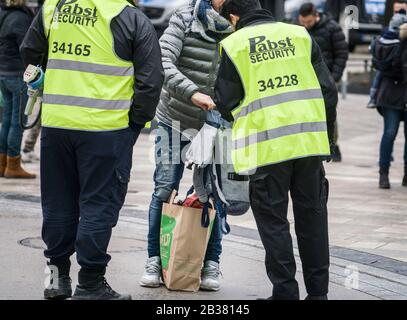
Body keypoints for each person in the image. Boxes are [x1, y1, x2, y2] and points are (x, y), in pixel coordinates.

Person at [20, 0, 164, 300]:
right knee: (99, 205)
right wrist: (134, 124)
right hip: (105, 130)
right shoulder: (129, 18)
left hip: (57, 124)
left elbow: (29, 52)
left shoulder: (54, 7)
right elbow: (150, 82)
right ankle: (91, 283)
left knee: (58, 203)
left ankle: (56, 279)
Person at [215, 0, 338, 300]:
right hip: (308, 145)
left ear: (234, 16)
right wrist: (327, 139)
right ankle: (318, 294)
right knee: (313, 219)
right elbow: (328, 91)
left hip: (265, 149)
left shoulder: (234, 44)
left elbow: (225, 99)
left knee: (274, 224)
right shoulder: (299, 35)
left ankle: (285, 293)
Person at [140, 0, 232, 291]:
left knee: (212, 194)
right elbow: (162, 61)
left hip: (216, 124)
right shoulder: (184, 18)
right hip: (175, 118)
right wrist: (193, 93)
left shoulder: (240, 23)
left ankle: (210, 264)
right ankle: (155, 259)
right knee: (165, 186)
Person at [298, 2, 348, 163]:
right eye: (303, 22)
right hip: (305, 80)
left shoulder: (332, 28)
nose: (306, 25)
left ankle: (334, 144)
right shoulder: (297, 29)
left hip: (326, 80)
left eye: (309, 22)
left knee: (328, 112)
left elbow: (341, 53)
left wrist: (334, 78)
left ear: (316, 15)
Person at [0, 0, 35, 179]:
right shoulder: (20, 18)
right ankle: (13, 164)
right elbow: (27, 47)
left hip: (3, 72)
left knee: (6, 120)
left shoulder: (2, 13)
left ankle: (3, 162)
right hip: (17, 74)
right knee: (18, 122)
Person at [371, 15, 407, 189]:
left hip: (388, 93)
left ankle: (383, 175)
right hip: (396, 93)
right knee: (392, 134)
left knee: (389, 133)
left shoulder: (381, 42)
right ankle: (390, 173)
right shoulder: (401, 44)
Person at [367, 6, 407, 108]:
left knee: (378, 76)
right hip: (395, 73)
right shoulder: (400, 37)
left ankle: (372, 98)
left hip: (383, 66)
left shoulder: (384, 34)